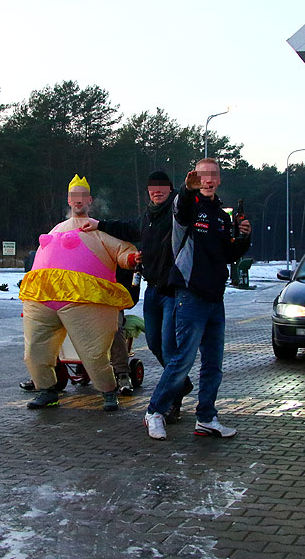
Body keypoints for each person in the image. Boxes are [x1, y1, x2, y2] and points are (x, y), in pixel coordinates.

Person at [144, 158, 251, 440]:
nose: (209, 179)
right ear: (196, 178)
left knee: (213, 363)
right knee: (182, 360)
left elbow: (228, 255)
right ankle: (155, 411)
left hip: (216, 297)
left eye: (213, 175)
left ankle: (206, 417)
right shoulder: (187, 206)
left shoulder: (222, 215)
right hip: (189, 294)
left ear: (219, 179)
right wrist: (186, 189)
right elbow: (181, 210)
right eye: (203, 175)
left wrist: (243, 238)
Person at [19, 175, 139, 411]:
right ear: (68, 200)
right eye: (74, 197)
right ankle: (46, 390)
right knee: (34, 349)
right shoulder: (56, 229)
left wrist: (132, 258)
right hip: (44, 299)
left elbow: (121, 251)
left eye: (83, 197)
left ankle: (107, 390)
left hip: (84, 301)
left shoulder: (97, 228)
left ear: (90, 200)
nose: (78, 201)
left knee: (93, 352)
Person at [81, 170, 194, 421]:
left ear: (170, 189)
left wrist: (187, 190)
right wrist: (99, 224)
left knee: (168, 345)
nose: (157, 191)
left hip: (173, 292)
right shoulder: (148, 218)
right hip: (152, 291)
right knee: (154, 343)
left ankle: (172, 400)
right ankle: (181, 382)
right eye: (152, 187)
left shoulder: (177, 213)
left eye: (162, 187)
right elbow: (126, 227)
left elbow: (186, 204)